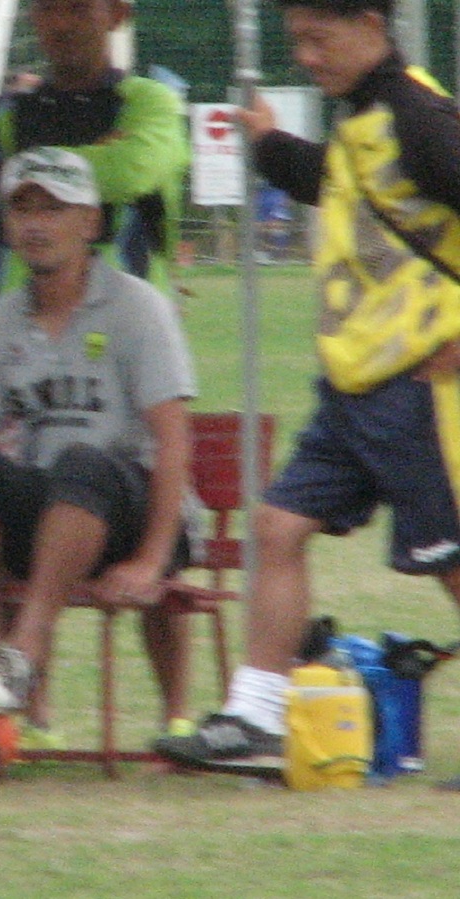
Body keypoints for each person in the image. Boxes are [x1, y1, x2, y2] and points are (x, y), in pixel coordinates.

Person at [154, 0, 460, 779]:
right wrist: (267, 144)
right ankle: (257, 716)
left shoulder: (419, 116)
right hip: (353, 388)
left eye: (319, 39)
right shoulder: (365, 118)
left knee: (454, 562)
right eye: (297, 41)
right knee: (277, 525)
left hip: (422, 389)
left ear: (372, 26)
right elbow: (338, 184)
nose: (307, 57)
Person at [0, 149, 198, 749]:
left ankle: (25, 652)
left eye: (53, 209)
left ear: (90, 222)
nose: (36, 224)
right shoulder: (2, 319)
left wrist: (150, 559)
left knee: (83, 463)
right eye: (22, 209)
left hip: (133, 507)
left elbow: (173, 441)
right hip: (57, 513)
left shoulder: (138, 307)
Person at [0, 0, 189, 309]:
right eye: (47, 8)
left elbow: (128, 172)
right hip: (18, 324)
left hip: (127, 323)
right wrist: (95, 170)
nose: (61, 24)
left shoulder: (151, 103)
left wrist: (20, 174)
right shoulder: (5, 113)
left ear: (117, 15)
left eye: (79, 9)